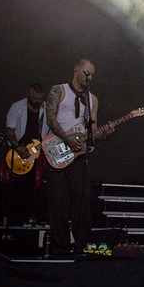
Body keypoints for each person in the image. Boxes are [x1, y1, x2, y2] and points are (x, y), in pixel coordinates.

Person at [44, 58, 114, 256]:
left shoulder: (92, 99)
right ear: (76, 70)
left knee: (82, 199)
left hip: (78, 154)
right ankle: (60, 247)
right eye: (86, 73)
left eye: (92, 75)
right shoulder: (59, 90)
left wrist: (105, 133)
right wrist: (66, 138)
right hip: (57, 148)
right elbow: (50, 118)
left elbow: (93, 130)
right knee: (57, 202)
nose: (89, 77)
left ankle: (81, 244)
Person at [3, 83, 48, 226]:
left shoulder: (47, 109)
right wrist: (17, 147)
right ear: (28, 95)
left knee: (36, 187)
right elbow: (10, 129)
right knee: (17, 189)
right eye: (35, 98)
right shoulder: (17, 107)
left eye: (40, 99)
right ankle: (15, 221)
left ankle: (32, 218)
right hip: (20, 150)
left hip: (38, 151)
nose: (38, 101)